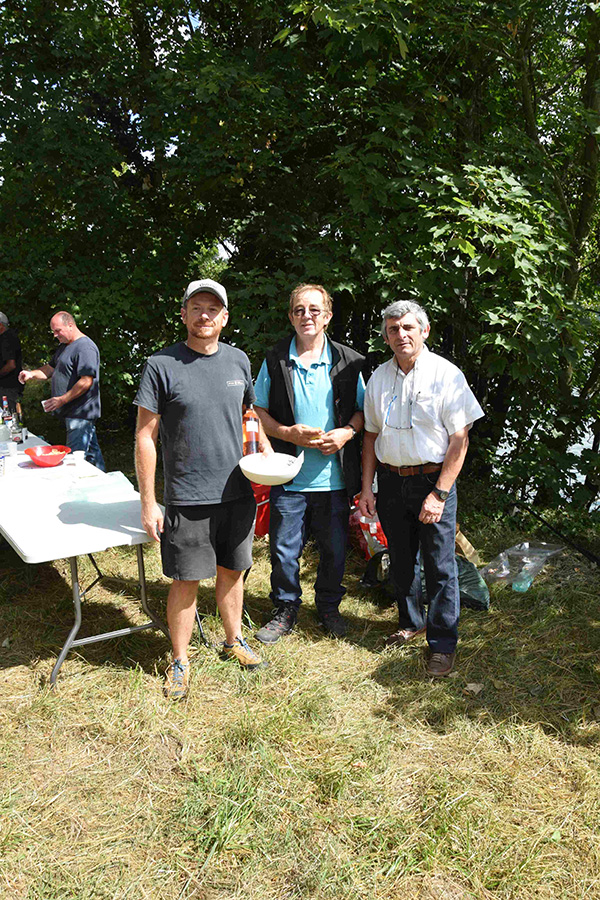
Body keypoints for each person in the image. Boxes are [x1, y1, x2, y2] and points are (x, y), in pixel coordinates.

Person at [134, 278, 272, 700]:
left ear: (225, 317)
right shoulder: (161, 364)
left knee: (234, 570)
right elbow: (145, 435)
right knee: (187, 579)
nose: (205, 315)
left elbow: (249, 413)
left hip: (238, 490)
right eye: (197, 307)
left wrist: (266, 450)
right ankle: (179, 660)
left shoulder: (238, 361)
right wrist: (149, 501)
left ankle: (233, 642)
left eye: (213, 308)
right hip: (187, 495)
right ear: (184, 314)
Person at [358, 299, 483, 677]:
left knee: (440, 564)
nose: (401, 335)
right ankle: (411, 622)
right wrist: (367, 487)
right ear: (386, 336)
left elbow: (460, 438)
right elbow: (369, 436)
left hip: (432, 480)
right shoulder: (378, 377)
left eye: (408, 328)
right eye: (393, 330)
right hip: (391, 481)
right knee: (400, 558)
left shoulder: (446, 375)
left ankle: (443, 644)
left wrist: (440, 493)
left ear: (424, 331)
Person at [253, 283, 366, 643]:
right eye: (299, 310)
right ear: (291, 316)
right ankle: (285, 609)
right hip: (289, 476)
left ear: (328, 317)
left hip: (334, 479)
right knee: (284, 551)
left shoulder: (349, 361)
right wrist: (288, 433)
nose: (307, 316)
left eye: (315, 310)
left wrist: (347, 432)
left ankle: (329, 608)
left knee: (334, 551)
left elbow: (365, 411)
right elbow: (257, 410)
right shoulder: (275, 359)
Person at [19, 312, 105, 470]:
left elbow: (86, 381)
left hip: (80, 413)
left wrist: (62, 399)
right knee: (92, 456)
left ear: (70, 325)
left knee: (74, 459)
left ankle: (75, 491)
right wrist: (31, 373)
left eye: (58, 330)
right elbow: (49, 369)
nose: (55, 335)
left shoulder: (85, 347)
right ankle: (106, 485)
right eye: (53, 331)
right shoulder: (64, 346)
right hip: (72, 413)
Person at [0, 311, 23, 408]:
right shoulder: (7, 337)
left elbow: (11, 365)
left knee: (7, 419)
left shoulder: (6, 339)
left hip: (7, 388)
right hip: (8, 387)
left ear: (0, 325)